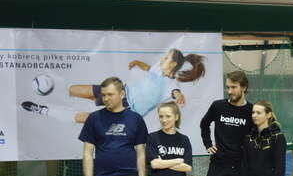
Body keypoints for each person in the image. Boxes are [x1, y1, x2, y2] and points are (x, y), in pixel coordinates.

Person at [66, 48, 205, 123]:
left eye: (166, 57)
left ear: (173, 64)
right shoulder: (158, 68)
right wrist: (138, 63)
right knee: (77, 91)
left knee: (85, 118)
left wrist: (179, 95)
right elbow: (149, 68)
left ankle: (59, 114)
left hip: (127, 110)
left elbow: (175, 92)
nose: (162, 59)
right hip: (121, 91)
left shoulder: (171, 84)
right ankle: (61, 95)